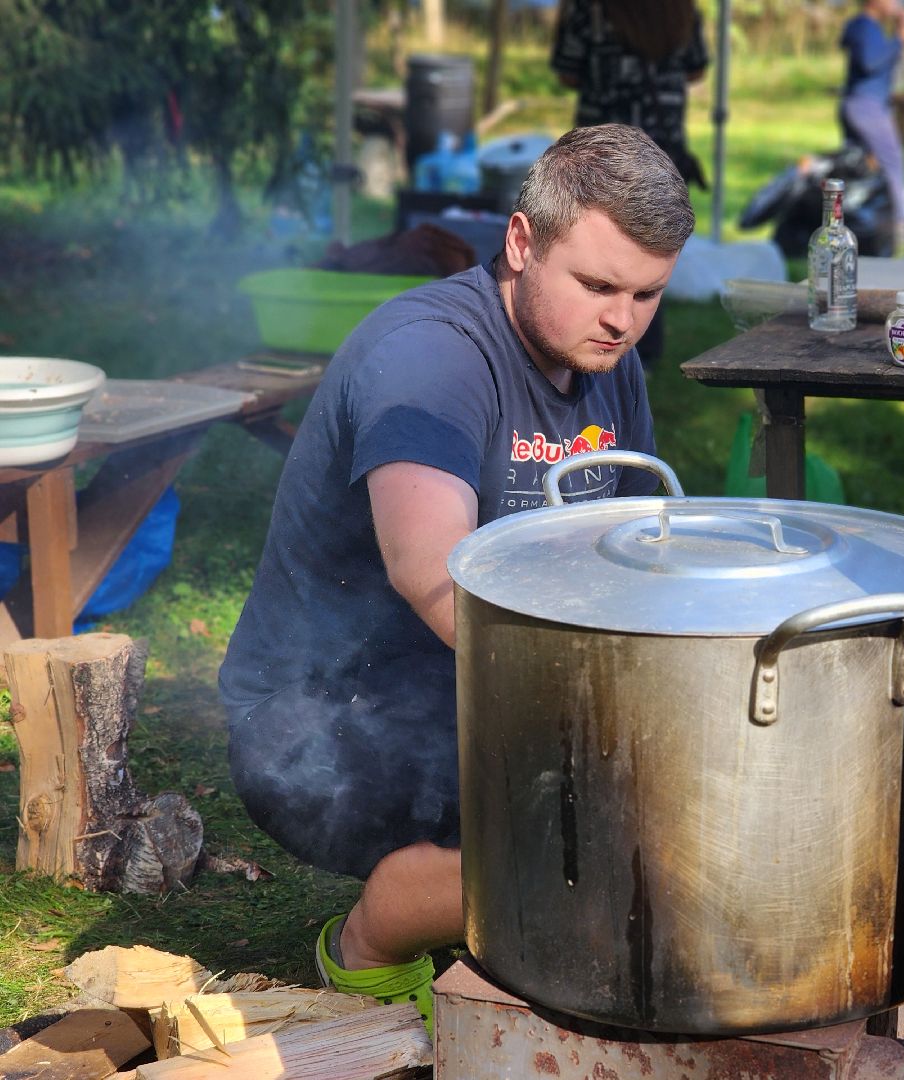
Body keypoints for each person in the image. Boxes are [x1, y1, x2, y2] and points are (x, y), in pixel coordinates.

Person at [217, 124, 695, 1031]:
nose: (622, 320)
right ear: (520, 242)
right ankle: (369, 942)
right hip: (329, 719)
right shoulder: (430, 357)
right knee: (601, 844)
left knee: (668, 808)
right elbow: (427, 567)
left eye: (647, 295)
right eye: (597, 286)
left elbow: (637, 551)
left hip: (475, 685)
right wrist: (595, 718)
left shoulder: (609, 360)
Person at [550, 0, 708, 367]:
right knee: (653, 251)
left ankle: (593, 343)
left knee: (597, 251)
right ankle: (643, 355)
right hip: (662, 146)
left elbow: (567, 72)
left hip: (603, 148)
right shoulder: (680, 6)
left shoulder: (590, 8)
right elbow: (696, 68)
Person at [839, 0, 904, 248]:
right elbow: (870, 62)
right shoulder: (865, 26)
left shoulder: (866, 27)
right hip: (866, 106)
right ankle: (900, 226)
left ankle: (857, 222)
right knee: (892, 160)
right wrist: (899, 40)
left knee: (860, 165)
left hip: (864, 104)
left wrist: (899, 33)